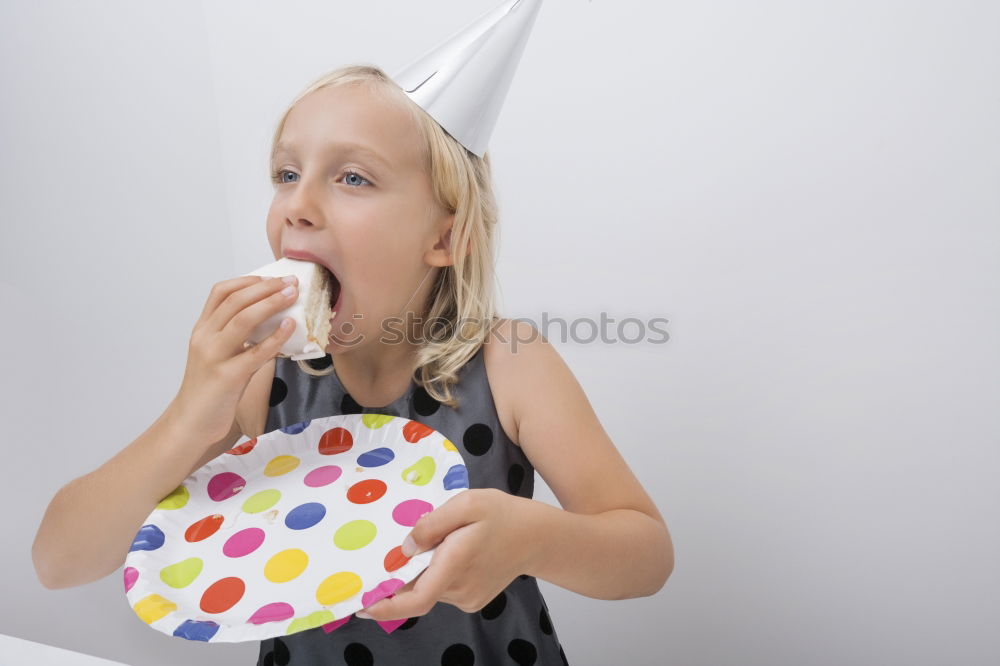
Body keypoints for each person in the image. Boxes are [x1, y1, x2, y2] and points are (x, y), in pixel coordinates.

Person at [33, 6, 674, 666]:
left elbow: (646, 555)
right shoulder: (262, 379)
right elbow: (60, 561)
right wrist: (188, 420)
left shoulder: (509, 363)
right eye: (286, 174)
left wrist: (534, 538)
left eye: (352, 178)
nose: (297, 205)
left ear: (446, 237)